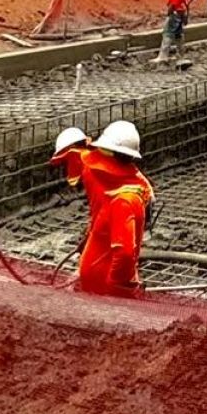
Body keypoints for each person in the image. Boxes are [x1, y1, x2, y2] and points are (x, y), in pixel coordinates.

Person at [75, 120, 154, 298]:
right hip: (95, 290)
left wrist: (114, 289)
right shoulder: (114, 187)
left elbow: (125, 254)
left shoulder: (123, 200)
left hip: (105, 294)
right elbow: (85, 161)